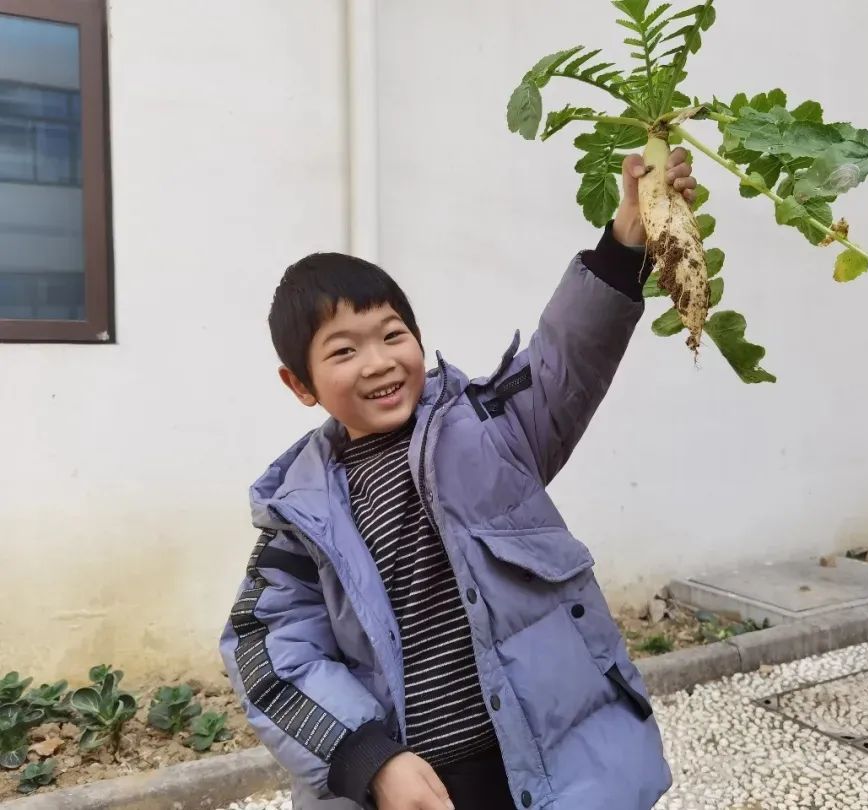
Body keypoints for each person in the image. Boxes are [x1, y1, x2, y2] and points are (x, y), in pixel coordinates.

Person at [220, 148, 699, 810]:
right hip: (419, 788)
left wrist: (625, 243)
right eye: (344, 350)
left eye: (393, 334)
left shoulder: (493, 427)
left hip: (554, 760)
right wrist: (368, 759)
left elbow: (567, 357)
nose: (379, 362)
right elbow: (268, 652)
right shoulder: (298, 515)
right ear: (299, 385)